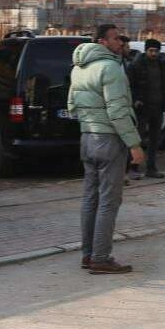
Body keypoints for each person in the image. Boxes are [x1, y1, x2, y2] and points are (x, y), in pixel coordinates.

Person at [68, 24, 145, 274]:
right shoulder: (111, 68)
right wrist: (134, 144)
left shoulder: (79, 68)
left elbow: (71, 106)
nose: (120, 42)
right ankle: (101, 258)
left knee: (90, 199)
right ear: (102, 42)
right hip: (109, 140)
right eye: (115, 38)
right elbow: (118, 110)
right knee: (109, 202)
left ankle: (88, 255)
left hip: (87, 138)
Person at [126, 38, 165, 179]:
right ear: (146, 50)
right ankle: (133, 168)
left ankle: (151, 168)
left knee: (155, 140)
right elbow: (130, 86)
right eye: (151, 51)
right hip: (142, 108)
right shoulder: (136, 65)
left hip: (158, 107)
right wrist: (135, 100)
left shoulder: (161, 64)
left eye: (156, 51)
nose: (154, 54)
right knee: (138, 139)